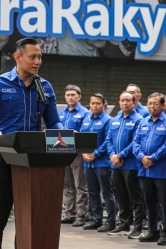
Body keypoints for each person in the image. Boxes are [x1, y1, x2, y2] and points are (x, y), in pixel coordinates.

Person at [0, 38, 63, 249]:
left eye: (40, 56)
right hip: (6, 156)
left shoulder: (45, 87)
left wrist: (63, 132)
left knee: (27, 218)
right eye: (32, 57)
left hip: (35, 160)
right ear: (18, 57)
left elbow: (53, 121)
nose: (37, 61)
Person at [133, 92, 166, 245]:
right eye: (149, 103)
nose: (152, 106)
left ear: (163, 105)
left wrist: (154, 158)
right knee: (149, 202)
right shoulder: (143, 122)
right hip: (144, 169)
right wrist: (142, 157)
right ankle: (153, 230)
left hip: (162, 169)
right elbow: (136, 142)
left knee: (165, 202)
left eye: (155, 103)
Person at [106, 91, 145, 238]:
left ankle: (138, 227)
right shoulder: (115, 119)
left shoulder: (139, 120)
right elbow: (108, 140)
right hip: (116, 165)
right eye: (122, 100)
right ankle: (123, 224)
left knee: (135, 197)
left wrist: (120, 155)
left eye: (128, 100)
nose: (125, 103)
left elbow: (136, 142)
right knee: (120, 195)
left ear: (134, 102)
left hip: (131, 165)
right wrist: (112, 155)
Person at [80, 93, 117, 232]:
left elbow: (108, 141)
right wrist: (83, 153)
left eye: (98, 103)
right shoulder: (86, 119)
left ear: (104, 105)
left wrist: (95, 154)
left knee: (107, 192)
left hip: (102, 162)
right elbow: (82, 139)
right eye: (92, 103)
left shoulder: (108, 120)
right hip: (87, 163)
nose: (95, 106)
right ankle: (96, 219)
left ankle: (111, 221)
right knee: (92, 192)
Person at [59, 84, 90, 227]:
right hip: (62, 152)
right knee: (67, 185)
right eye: (68, 95)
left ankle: (81, 215)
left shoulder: (85, 113)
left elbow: (84, 134)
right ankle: (69, 213)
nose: (70, 97)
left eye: (73, 94)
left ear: (79, 96)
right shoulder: (61, 113)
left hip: (77, 153)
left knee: (80, 185)